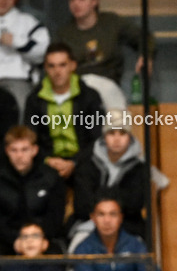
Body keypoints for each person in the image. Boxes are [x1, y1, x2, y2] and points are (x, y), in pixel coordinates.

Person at [56, 0, 156, 110]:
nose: (76, 4)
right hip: (77, 89)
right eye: (72, 0)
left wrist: (146, 55)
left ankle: (118, 123)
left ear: (95, 1)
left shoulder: (111, 23)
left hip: (108, 85)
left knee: (115, 110)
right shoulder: (64, 34)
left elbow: (144, 37)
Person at [24, 42, 105, 181]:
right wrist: (48, 159)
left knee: (88, 176)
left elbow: (97, 138)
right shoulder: (34, 99)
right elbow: (30, 137)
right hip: (48, 162)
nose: (57, 71)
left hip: (83, 161)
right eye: (52, 66)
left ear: (73, 66)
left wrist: (74, 162)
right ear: (45, 68)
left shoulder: (89, 96)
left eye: (62, 65)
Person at [71, 110, 151, 242]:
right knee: (77, 245)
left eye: (123, 133)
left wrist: (101, 198)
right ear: (104, 137)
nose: (117, 139)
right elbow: (81, 205)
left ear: (130, 137)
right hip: (89, 224)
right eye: (111, 133)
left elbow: (135, 204)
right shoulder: (87, 165)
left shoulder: (139, 169)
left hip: (129, 226)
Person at [0, 125, 67, 254]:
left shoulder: (51, 177)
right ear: (7, 151)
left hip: (44, 239)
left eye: (24, 149)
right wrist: (15, 240)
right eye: (14, 150)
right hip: (6, 242)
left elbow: (55, 217)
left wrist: (37, 240)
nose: (19, 155)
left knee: (57, 253)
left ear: (34, 150)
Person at [0, 0, 49, 113]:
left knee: (24, 111)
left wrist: (16, 42)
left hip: (18, 80)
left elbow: (42, 53)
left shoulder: (28, 22)